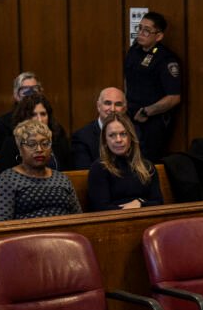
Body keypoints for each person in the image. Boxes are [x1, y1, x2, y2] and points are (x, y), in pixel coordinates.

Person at [0, 118, 80, 221]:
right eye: (31, 144)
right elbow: (0, 224)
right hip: (28, 236)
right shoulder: (7, 180)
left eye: (45, 144)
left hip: (65, 234)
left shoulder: (62, 178)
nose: (39, 149)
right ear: (20, 148)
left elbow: (78, 218)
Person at [124, 12, 182, 160]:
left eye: (147, 30)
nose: (141, 33)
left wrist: (147, 112)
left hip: (152, 121)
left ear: (159, 36)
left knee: (147, 161)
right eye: (140, 28)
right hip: (130, 115)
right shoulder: (134, 50)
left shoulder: (165, 59)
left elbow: (174, 97)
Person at [85, 112, 162, 211]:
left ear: (131, 137)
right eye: (112, 135)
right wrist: (128, 208)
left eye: (123, 134)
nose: (118, 139)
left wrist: (140, 203)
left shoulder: (147, 166)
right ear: (105, 140)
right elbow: (100, 209)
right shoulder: (99, 168)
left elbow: (159, 203)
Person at [0, 93, 63, 174]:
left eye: (43, 114)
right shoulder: (12, 143)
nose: (39, 119)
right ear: (24, 117)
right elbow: (4, 175)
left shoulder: (58, 140)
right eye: (33, 114)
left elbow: (69, 172)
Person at [0, 71, 45, 156]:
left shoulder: (48, 120)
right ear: (16, 95)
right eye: (25, 89)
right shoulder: (3, 124)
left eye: (34, 88)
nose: (30, 93)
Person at [70, 87, 126, 169]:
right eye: (107, 103)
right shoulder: (82, 137)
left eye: (118, 104)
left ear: (124, 109)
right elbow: (83, 173)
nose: (112, 109)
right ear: (98, 106)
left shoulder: (135, 132)